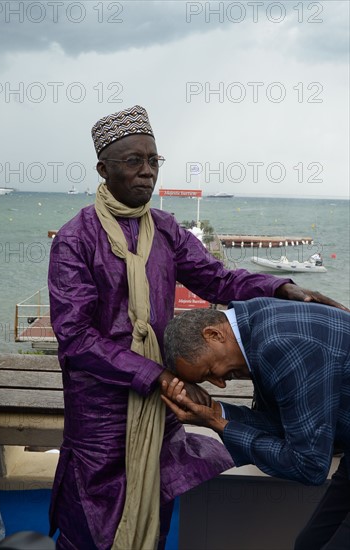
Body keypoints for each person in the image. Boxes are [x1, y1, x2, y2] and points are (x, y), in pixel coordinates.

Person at [48, 105, 347, 550]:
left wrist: (283, 288)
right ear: (103, 168)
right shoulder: (77, 240)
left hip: (160, 404)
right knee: (92, 521)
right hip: (102, 412)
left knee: (155, 508)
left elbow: (218, 279)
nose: (147, 173)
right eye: (133, 162)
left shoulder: (165, 229)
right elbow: (75, 338)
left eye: (153, 161)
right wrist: (157, 375)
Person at [161, 300, 350, 550]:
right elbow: (286, 425)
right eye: (207, 380)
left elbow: (309, 465)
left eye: (210, 370)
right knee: (307, 544)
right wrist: (218, 412)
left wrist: (219, 424)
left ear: (213, 334)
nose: (220, 384)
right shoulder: (254, 321)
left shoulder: (280, 345)